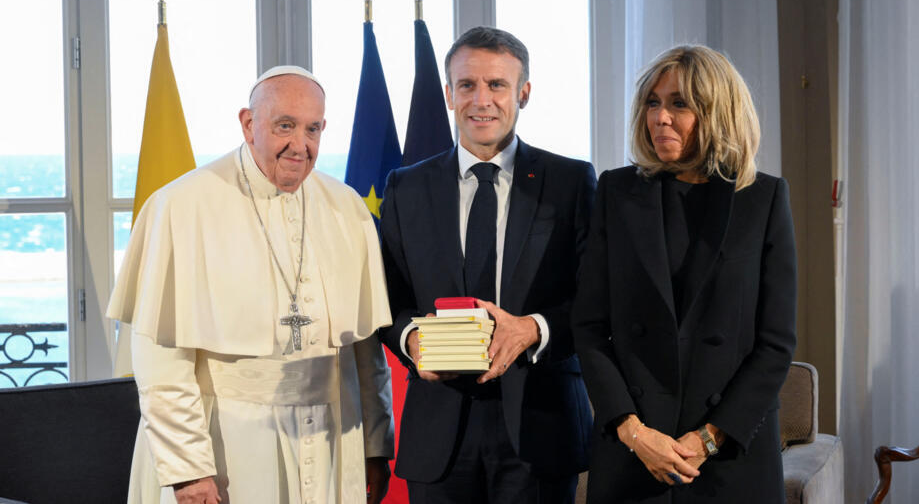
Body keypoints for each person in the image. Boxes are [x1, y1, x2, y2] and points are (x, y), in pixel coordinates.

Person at [106, 66, 395, 504]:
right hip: (227, 441)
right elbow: (161, 359)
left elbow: (365, 348)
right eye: (285, 126)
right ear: (248, 123)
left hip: (334, 435)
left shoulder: (346, 208)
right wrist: (189, 470)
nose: (300, 145)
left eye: (312, 129)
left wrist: (376, 444)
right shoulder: (182, 205)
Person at [378, 26, 595, 504]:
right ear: (449, 94)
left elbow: (597, 301)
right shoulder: (405, 188)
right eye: (467, 85)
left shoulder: (571, 182)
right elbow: (384, 300)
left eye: (497, 85)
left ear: (524, 93)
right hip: (438, 430)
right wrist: (411, 341)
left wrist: (533, 329)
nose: (482, 99)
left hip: (540, 424)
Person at [571, 45, 797, 503]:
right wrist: (634, 433)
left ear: (718, 112)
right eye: (653, 103)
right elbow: (589, 328)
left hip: (729, 456)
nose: (660, 117)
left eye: (679, 103)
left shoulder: (763, 199)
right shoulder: (616, 191)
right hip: (633, 454)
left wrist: (707, 440)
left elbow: (775, 345)